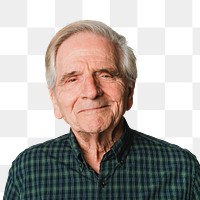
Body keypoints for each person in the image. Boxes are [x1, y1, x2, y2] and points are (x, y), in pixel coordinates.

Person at [3, 20, 200, 199]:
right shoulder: (27, 170)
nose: (91, 91)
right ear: (54, 100)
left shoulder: (182, 169)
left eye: (105, 75)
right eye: (72, 79)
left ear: (129, 91)